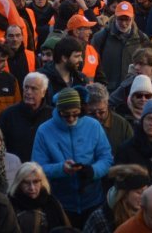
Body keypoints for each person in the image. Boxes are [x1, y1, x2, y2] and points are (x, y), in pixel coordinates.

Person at [32, 87, 114, 227]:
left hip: (93, 201)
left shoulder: (93, 126)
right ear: (58, 111)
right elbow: (37, 167)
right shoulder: (44, 130)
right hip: (61, 204)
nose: (71, 119)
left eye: (75, 114)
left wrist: (93, 171)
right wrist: (60, 169)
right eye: (66, 115)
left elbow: (106, 158)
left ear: (81, 110)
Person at [0, 72, 53, 163]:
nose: (28, 92)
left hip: (44, 170)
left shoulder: (52, 116)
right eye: (26, 87)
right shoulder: (8, 115)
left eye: (34, 89)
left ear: (43, 92)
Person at [83, 164, 151, 232]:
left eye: (146, 191)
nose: (143, 197)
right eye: (139, 192)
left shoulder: (151, 215)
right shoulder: (99, 218)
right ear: (124, 195)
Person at [8, 161, 71, 232]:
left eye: (35, 182)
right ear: (19, 183)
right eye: (26, 182)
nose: (32, 188)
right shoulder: (9, 205)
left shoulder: (52, 204)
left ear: (42, 182)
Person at [86, 82, 134, 156]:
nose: (97, 116)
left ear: (107, 104)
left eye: (101, 112)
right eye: (92, 113)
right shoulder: (79, 123)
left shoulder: (122, 125)